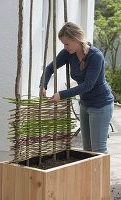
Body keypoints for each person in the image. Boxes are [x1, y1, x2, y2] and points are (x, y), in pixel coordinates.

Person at [39, 22, 114, 153]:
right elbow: (50, 68)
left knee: (99, 150)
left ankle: (101, 174)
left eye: (66, 43)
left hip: (101, 105)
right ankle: (89, 175)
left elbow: (88, 85)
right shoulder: (69, 53)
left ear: (76, 39)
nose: (65, 46)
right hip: (85, 104)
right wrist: (43, 85)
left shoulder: (96, 56)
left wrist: (61, 94)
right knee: (87, 149)